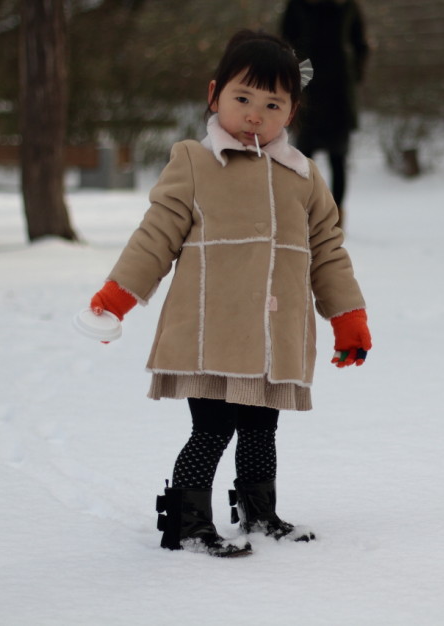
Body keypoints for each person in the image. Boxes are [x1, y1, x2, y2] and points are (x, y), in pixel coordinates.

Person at [86, 30, 372, 558]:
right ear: (215, 95)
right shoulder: (195, 162)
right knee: (213, 428)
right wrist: (118, 295)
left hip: (272, 335)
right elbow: (157, 234)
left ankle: (260, 514)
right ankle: (187, 523)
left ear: (292, 110)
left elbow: (328, 251)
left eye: (273, 104)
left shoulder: (303, 177)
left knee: (262, 428)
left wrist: (347, 316)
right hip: (210, 331)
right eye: (243, 99)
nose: (255, 115)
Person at [281, 0, 369, 229]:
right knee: (302, 159)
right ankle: (299, 215)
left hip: (338, 89)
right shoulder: (297, 5)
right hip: (307, 86)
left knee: (338, 157)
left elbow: (360, 44)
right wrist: (290, 80)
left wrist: (354, 75)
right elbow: (284, 43)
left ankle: (336, 220)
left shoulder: (347, 5)